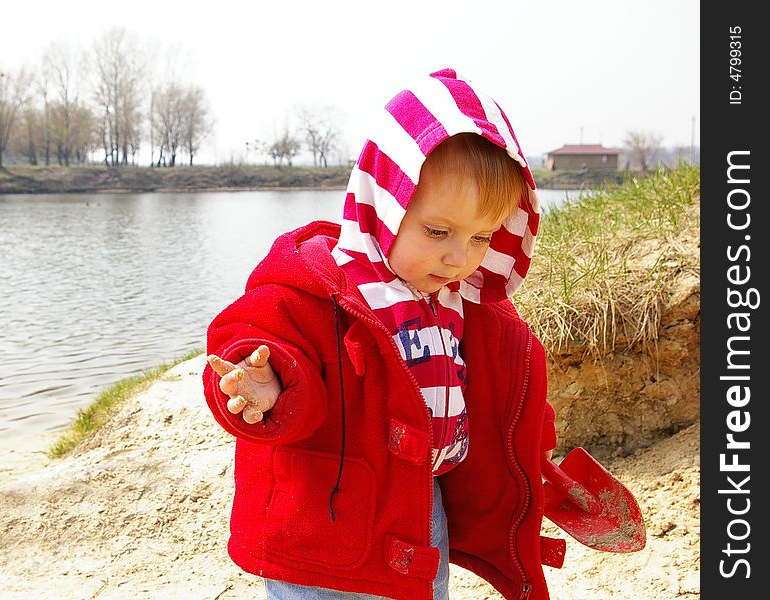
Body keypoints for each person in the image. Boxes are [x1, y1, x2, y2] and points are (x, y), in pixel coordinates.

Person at [203, 68, 564, 600]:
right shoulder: (326, 283)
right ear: (384, 203)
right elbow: (256, 335)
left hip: (420, 509)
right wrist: (266, 382)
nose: (457, 256)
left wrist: (536, 458)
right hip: (325, 532)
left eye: (481, 236)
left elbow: (505, 396)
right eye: (437, 231)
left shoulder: (462, 302)